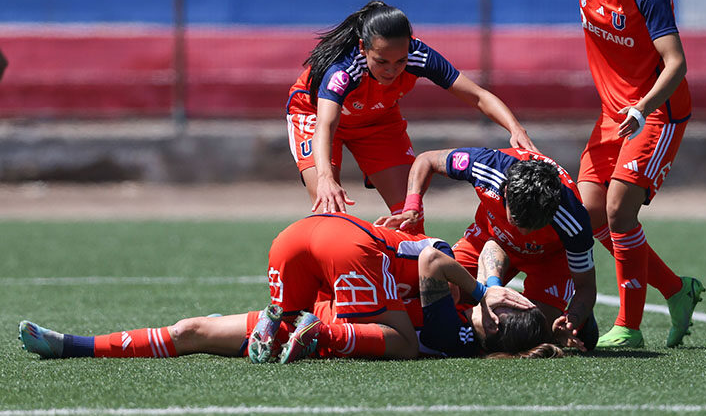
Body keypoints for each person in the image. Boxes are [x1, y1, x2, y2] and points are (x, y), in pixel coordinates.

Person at [453, 0, 704, 348]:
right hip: (613, 113)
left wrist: (642, 107)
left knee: (618, 213)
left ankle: (628, 329)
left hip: (655, 113)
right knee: (590, 216)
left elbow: (676, 64)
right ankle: (675, 289)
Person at [19, 213, 561, 361]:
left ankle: (72, 346)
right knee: (195, 330)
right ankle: (74, 344)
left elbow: (433, 265)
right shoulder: (481, 318)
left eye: (499, 316)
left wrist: (481, 289)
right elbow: (493, 248)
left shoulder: (456, 336)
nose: (496, 308)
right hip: (339, 279)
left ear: (494, 340)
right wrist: (491, 284)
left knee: (193, 330)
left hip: (348, 308)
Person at [287, 0, 536, 218]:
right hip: (315, 116)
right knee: (330, 211)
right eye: (381, 61)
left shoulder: (420, 56)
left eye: (401, 61)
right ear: (363, 48)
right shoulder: (343, 71)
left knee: (409, 215)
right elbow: (325, 125)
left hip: (378, 121)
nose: (391, 70)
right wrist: (325, 178)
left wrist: (516, 128)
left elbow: (478, 96)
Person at [377, 146, 598, 351]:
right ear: (506, 192)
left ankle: (577, 321)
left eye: (533, 226)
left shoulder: (574, 221)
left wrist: (574, 318)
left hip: (549, 260)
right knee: (437, 293)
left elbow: (586, 287)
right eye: (517, 222)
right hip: (490, 238)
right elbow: (426, 160)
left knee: (531, 334)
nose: (523, 234)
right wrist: (412, 207)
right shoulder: (486, 166)